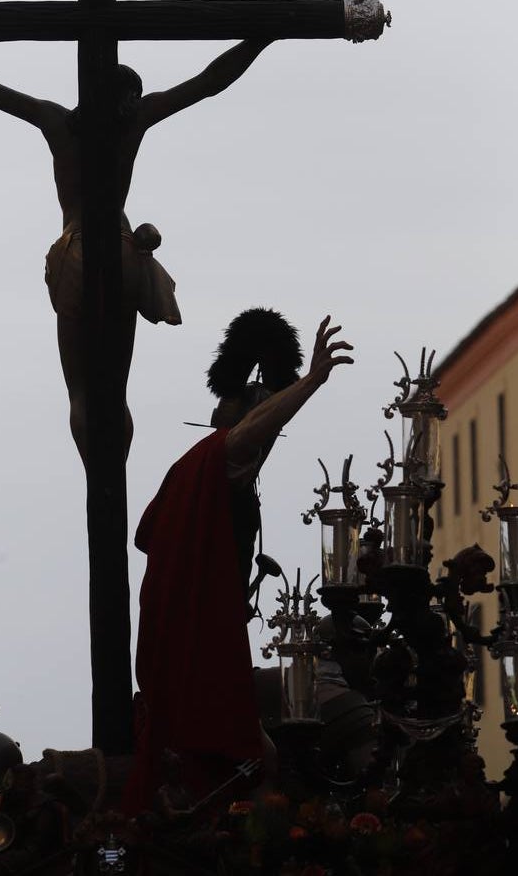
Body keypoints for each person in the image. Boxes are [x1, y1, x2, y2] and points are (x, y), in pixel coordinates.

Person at [0, 40, 271, 464]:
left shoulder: (58, 121)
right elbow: (209, 82)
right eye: (131, 97)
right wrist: (262, 36)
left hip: (76, 252)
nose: (133, 104)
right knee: (113, 390)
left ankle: (99, 476)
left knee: (82, 391)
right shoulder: (132, 121)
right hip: (124, 251)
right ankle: (110, 477)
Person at [123, 311, 353, 814]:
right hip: (197, 652)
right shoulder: (214, 461)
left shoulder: (201, 478)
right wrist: (311, 381)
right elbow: (254, 429)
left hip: (193, 639)